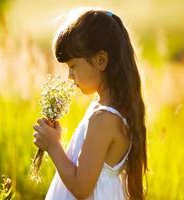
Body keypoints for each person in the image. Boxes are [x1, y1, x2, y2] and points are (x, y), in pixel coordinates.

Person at [33, 7, 148, 200]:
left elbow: (81, 187)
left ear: (100, 61)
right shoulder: (104, 110)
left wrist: (53, 146)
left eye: (73, 67)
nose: (70, 77)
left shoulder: (104, 119)